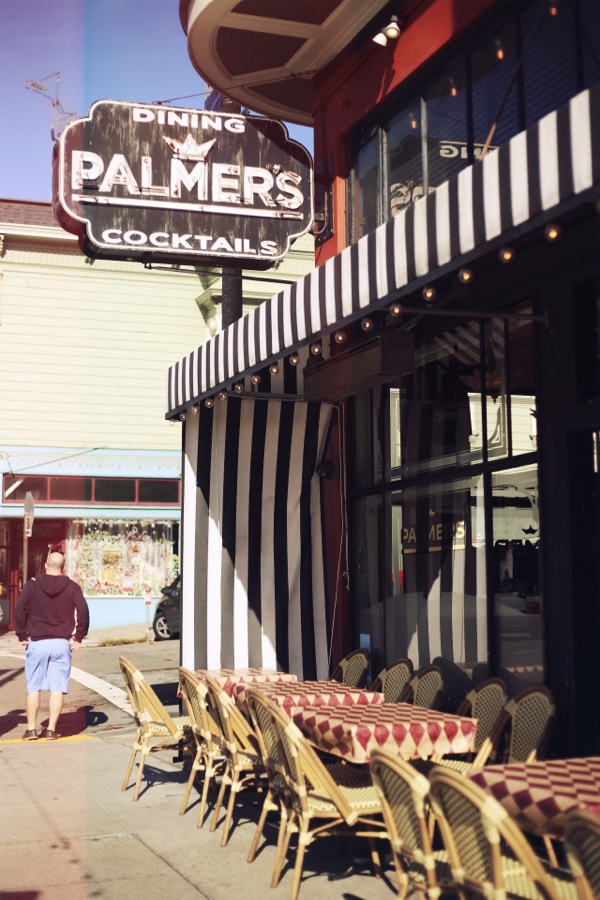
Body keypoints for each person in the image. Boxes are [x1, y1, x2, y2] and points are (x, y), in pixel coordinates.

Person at [14, 551, 87, 740]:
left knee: (33, 687)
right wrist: (78, 637)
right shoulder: (72, 587)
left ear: (45, 565)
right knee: (57, 688)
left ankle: (31, 729)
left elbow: (19, 609)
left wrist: (22, 634)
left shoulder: (32, 585)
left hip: (37, 642)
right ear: (63, 568)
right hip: (61, 644)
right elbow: (83, 611)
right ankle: (51, 730)